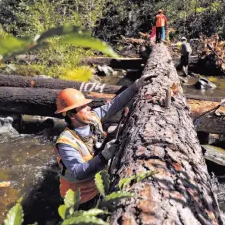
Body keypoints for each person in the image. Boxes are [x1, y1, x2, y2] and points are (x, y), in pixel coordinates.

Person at [54, 75, 153, 206]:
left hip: (98, 185)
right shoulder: (66, 143)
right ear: (72, 115)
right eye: (82, 107)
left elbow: (114, 104)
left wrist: (135, 86)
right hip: (79, 198)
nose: (89, 107)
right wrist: (104, 156)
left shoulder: (93, 118)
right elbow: (77, 172)